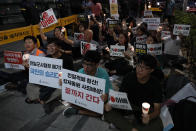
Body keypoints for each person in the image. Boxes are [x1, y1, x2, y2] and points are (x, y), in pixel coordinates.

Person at [104, 54, 163, 131]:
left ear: (151, 70)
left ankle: (128, 125)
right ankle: (132, 129)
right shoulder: (129, 76)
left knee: (158, 126)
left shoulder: (156, 84)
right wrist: (111, 103)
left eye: (144, 68)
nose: (139, 70)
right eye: (139, 66)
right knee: (107, 110)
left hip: (145, 110)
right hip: (128, 105)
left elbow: (157, 110)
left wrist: (150, 117)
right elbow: (121, 96)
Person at [63, 50, 113, 117]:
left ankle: (78, 111)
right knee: (71, 103)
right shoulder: (80, 71)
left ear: (97, 64)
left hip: (100, 97)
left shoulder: (103, 74)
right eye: (84, 63)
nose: (86, 67)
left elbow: (105, 96)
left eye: (89, 65)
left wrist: (103, 98)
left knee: (104, 109)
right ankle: (88, 111)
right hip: (87, 98)